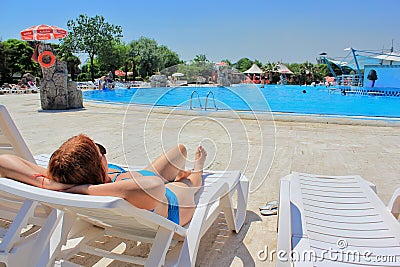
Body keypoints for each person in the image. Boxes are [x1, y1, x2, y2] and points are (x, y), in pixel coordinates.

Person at [0, 134, 207, 226]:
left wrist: (55, 185)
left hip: (136, 181)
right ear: (100, 166)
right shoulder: (123, 191)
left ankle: (179, 174)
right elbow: (154, 186)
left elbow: (4, 161)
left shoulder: (65, 178)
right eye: (102, 151)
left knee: (180, 150)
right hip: (171, 204)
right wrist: (84, 189)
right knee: (192, 182)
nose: (103, 152)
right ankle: (196, 168)